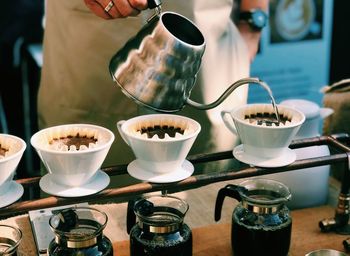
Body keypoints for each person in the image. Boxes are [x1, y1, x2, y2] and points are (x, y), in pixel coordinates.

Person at [37, 0, 269, 179]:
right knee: (81, 211)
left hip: (209, 42)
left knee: (206, 208)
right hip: (87, 43)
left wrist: (253, 21)